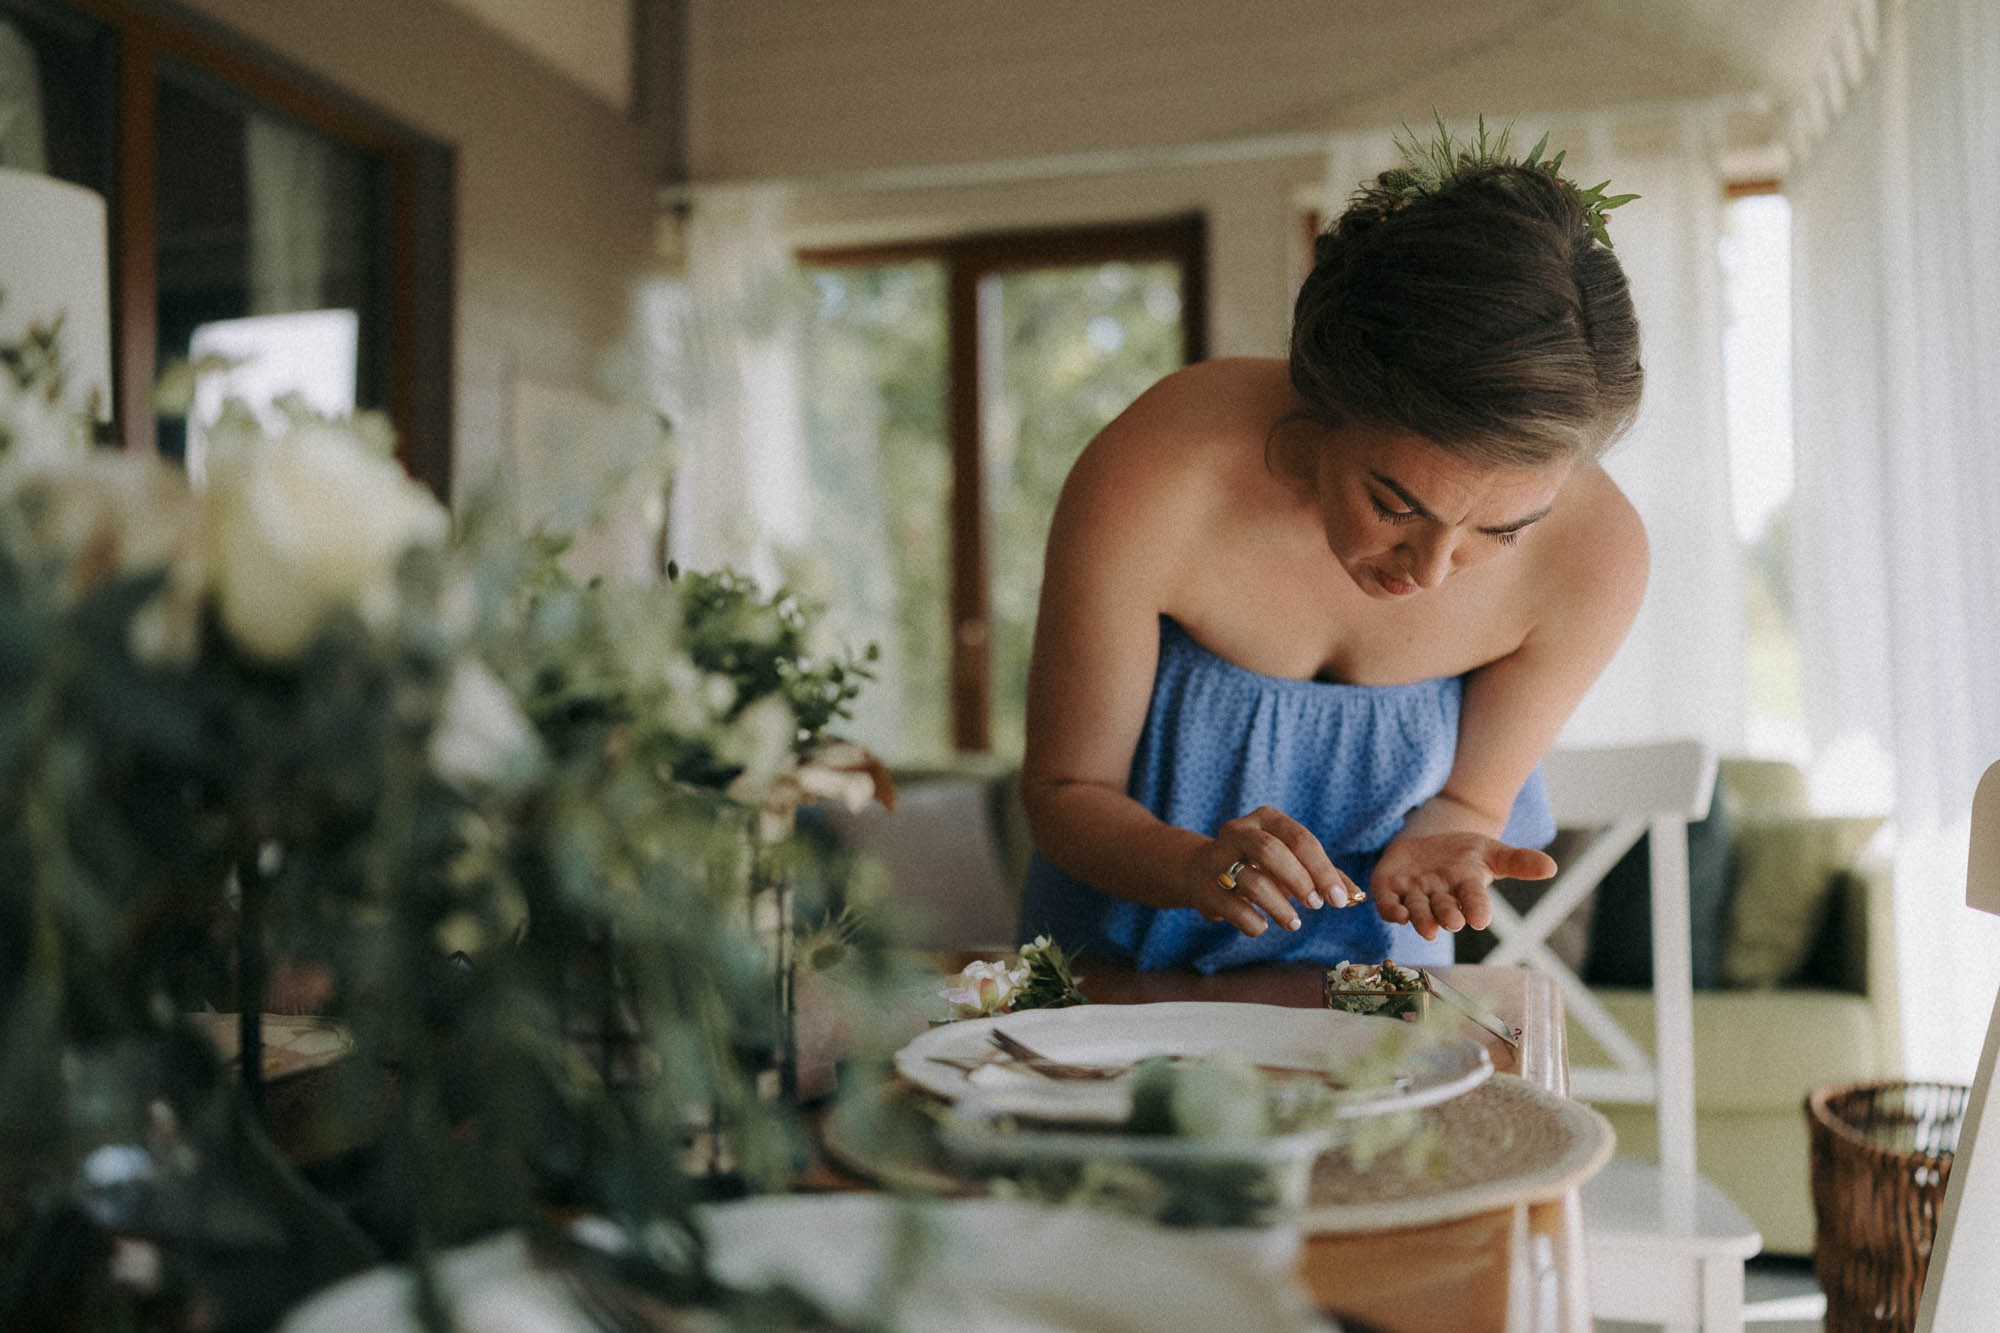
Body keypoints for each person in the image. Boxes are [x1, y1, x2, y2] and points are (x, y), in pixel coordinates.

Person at [1016, 121, 1648, 973]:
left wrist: (1447, 840)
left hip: (1374, 1001)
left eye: (1499, 531)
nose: (1428, 572)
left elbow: (1467, 798)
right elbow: (1064, 793)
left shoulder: (1595, 558)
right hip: (1113, 976)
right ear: (1321, 399)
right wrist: (1192, 864)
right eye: (1393, 503)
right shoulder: (1159, 473)